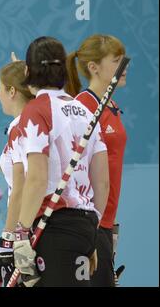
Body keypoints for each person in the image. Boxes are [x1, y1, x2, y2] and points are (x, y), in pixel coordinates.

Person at [9, 36, 110, 286]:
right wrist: (91, 233)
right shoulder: (86, 111)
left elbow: (37, 178)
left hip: (53, 226)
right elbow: (103, 182)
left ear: (27, 71)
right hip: (85, 226)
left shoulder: (36, 109)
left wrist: (20, 235)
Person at [65, 34, 128, 286]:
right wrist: (93, 227)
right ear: (94, 67)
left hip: (107, 221)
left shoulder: (110, 105)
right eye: (116, 61)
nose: (124, 67)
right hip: (90, 222)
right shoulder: (83, 107)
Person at [0, 57, 34, 287]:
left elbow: (21, 188)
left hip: (26, 232)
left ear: (12, 91)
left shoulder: (21, 128)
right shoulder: (34, 122)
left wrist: (8, 238)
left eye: (0, 89)